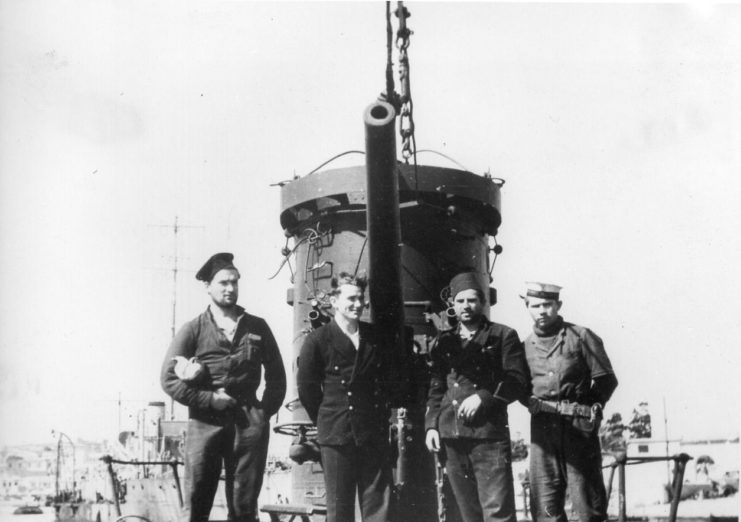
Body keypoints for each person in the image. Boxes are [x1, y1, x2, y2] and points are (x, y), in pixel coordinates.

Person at [161, 253, 286, 522]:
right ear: (208, 286)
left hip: (248, 423)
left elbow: (277, 376)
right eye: (223, 283)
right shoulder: (193, 329)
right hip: (205, 422)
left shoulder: (257, 326)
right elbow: (168, 379)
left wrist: (263, 413)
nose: (230, 289)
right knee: (197, 501)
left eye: (234, 282)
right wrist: (208, 399)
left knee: (244, 505)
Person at [424, 272, 529, 522]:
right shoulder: (444, 341)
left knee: (497, 511)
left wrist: (483, 397)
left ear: (482, 302)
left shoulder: (502, 336)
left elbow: (516, 380)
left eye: (472, 300)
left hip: (488, 438)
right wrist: (431, 426)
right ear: (453, 305)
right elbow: (437, 387)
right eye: (460, 301)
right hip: (452, 436)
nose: (466, 307)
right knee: (465, 512)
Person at [296, 272, 393, 522]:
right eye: (351, 299)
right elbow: (307, 388)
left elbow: (386, 383)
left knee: (377, 507)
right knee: (339, 510)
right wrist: (329, 418)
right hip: (337, 434)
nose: (357, 305)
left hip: (372, 432)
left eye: (361, 299)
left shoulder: (375, 337)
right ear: (334, 301)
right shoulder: (318, 340)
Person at [520, 282, 618, 522]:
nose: (542, 311)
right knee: (545, 501)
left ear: (558, 305)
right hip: (543, 429)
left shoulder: (581, 336)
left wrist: (592, 406)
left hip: (578, 427)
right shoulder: (524, 346)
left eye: (547, 305)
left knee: (587, 501)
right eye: (535, 306)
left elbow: (606, 379)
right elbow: (518, 384)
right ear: (528, 307)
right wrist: (528, 401)